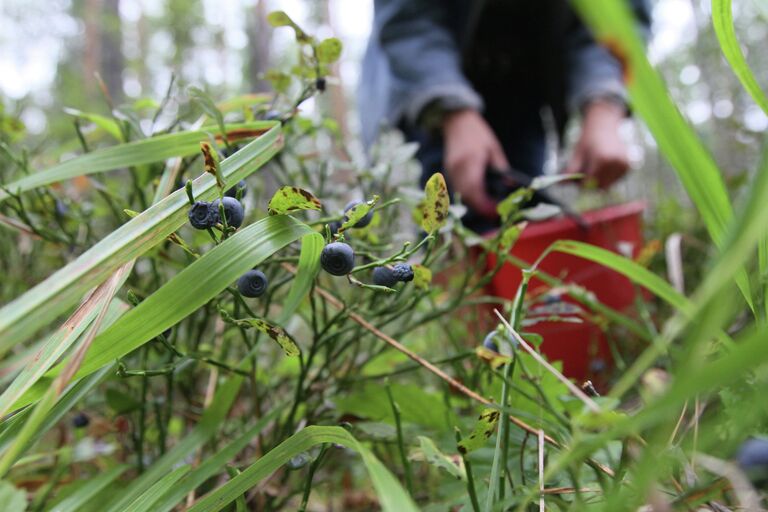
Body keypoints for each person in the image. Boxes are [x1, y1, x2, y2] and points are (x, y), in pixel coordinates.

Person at [359, 0, 651, 232]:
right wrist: (451, 110)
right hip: (427, 81)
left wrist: (603, 104)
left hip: (524, 88)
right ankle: (452, 291)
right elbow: (409, 19)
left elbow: (619, 17)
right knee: (452, 225)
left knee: (520, 218)